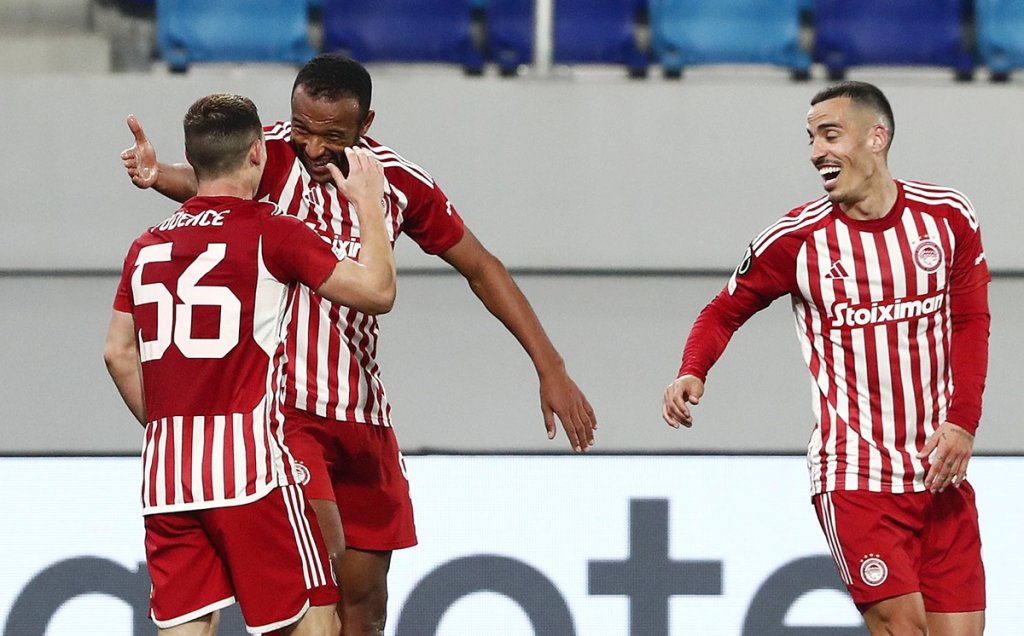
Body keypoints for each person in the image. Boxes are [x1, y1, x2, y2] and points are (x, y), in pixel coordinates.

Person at [120, 54, 597, 635]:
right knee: (314, 575)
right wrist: (159, 175)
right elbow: (209, 183)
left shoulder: (397, 183)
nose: (313, 147)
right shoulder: (268, 154)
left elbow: (481, 267)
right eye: (302, 127)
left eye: (333, 135)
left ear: (365, 124)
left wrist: (551, 367)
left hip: (360, 413)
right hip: (286, 415)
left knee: (364, 606)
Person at [662, 81, 990, 636]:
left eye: (830, 135)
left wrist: (962, 422)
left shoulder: (948, 216)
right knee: (903, 628)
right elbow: (722, 310)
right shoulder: (796, 239)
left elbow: (971, 321)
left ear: (877, 137)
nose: (817, 151)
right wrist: (693, 368)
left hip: (940, 473)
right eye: (811, 138)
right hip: (855, 474)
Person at [104, 93, 397, 635]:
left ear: (193, 160)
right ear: (258, 153)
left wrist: (172, 427)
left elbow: (117, 352)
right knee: (315, 624)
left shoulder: (145, 246)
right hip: (252, 470)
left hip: (167, 475)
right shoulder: (272, 230)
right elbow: (377, 292)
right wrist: (369, 204)